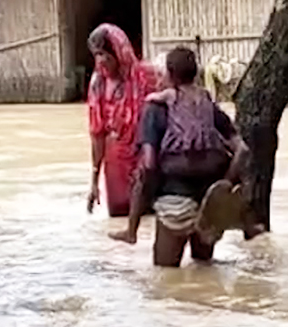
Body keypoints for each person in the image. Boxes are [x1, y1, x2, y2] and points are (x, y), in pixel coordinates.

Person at [110, 46, 264, 266]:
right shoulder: (208, 104)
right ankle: (247, 222)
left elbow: (149, 163)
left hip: (174, 203)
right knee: (205, 269)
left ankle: (130, 232)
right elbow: (243, 150)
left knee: (166, 277)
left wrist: (144, 197)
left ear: (170, 76)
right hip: (210, 206)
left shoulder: (156, 108)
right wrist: (225, 183)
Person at [86, 23, 159, 217]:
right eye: (96, 55)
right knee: (119, 215)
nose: (100, 61)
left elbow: (162, 120)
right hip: (116, 162)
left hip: (146, 157)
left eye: (105, 55)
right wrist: (94, 179)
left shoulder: (147, 77)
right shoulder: (98, 84)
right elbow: (97, 133)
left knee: (150, 215)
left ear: (119, 52)